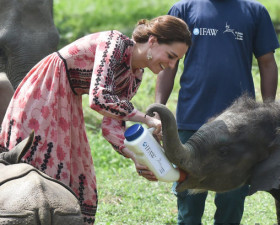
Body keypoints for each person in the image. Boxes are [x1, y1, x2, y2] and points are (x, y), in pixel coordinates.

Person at [0, 15, 191, 224]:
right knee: (39, 167)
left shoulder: (134, 76)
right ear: (153, 41)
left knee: (79, 178)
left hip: (68, 101)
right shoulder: (115, 43)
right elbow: (99, 98)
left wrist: (137, 157)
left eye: (176, 61)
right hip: (45, 89)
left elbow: (112, 124)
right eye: (171, 56)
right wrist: (147, 119)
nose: (172, 65)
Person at [154, 0, 280, 224]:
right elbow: (168, 63)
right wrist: (158, 110)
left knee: (232, 196)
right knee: (188, 198)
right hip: (192, 119)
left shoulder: (255, 11)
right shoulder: (183, 9)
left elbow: (267, 63)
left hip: (238, 126)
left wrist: (269, 111)